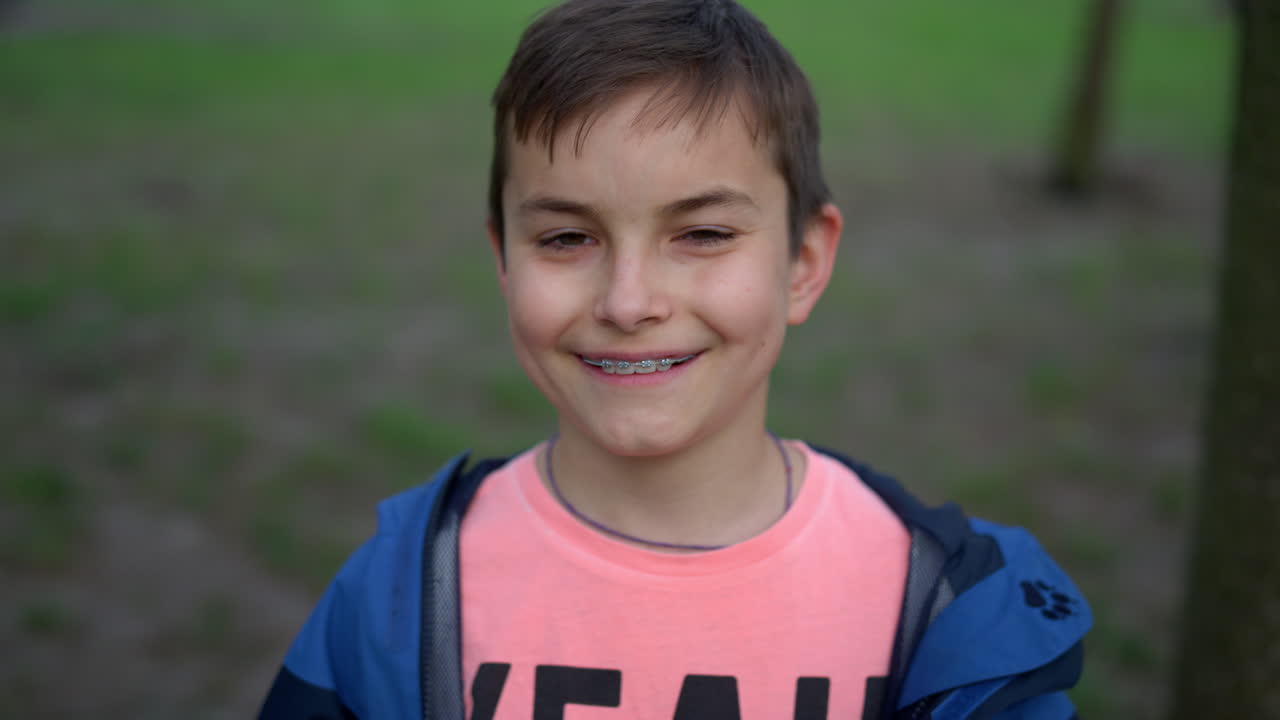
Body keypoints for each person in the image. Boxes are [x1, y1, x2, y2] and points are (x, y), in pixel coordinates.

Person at [259, 0, 1091, 717]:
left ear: (803, 262)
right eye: (566, 238)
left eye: (702, 235)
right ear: (505, 259)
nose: (629, 301)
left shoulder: (949, 610)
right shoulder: (401, 594)